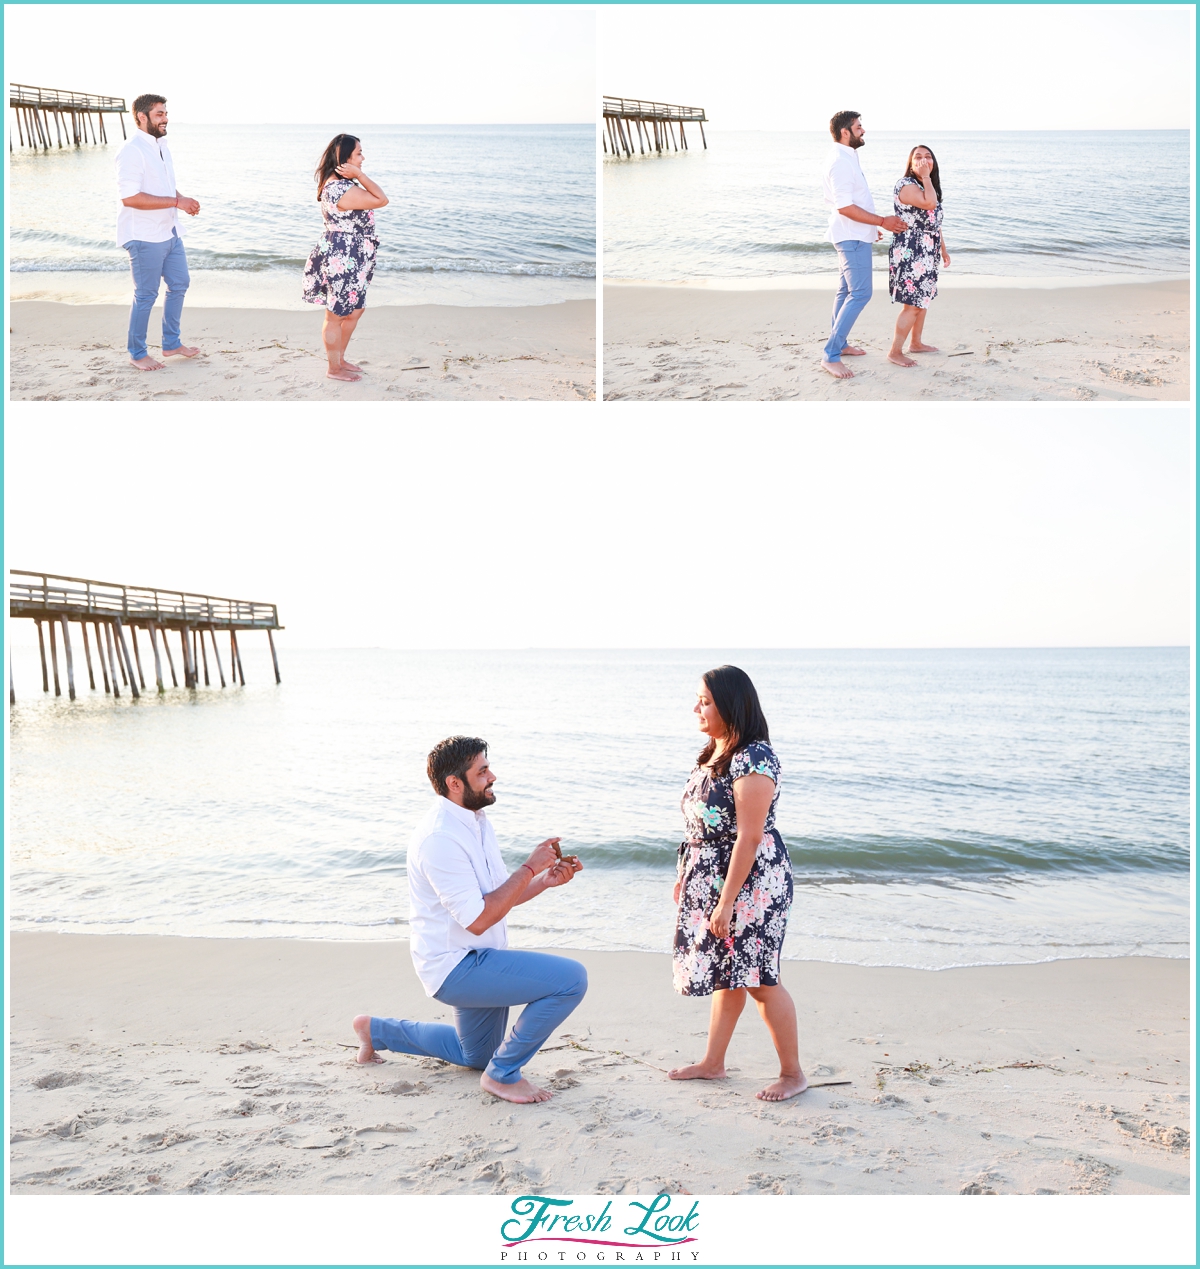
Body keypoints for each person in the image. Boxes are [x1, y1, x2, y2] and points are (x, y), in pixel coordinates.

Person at [352, 736, 586, 1105]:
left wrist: (543, 880)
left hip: (480, 955)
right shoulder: (439, 838)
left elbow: (496, 898)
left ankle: (375, 1031)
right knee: (571, 980)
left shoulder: (476, 820)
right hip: (456, 965)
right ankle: (503, 1075)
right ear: (454, 783)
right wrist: (528, 867)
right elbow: (478, 920)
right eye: (482, 771)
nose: (492, 776)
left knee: (474, 1055)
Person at [668, 666, 807, 1102]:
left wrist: (726, 902)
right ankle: (713, 1063)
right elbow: (701, 825)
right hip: (713, 878)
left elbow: (749, 835)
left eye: (705, 701)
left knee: (760, 978)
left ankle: (793, 1074)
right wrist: (685, 877)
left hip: (752, 883)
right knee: (726, 976)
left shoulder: (755, 757)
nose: (696, 708)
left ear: (731, 705)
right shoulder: (714, 752)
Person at [115, 94, 201, 371]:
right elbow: (130, 198)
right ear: (142, 116)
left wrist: (182, 199)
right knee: (146, 295)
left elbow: (164, 187)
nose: (165, 119)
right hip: (143, 235)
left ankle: (171, 343)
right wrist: (177, 202)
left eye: (165, 113)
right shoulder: (131, 151)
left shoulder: (161, 146)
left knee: (180, 283)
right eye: (160, 114)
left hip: (170, 231)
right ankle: (137, 353)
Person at [821, 111, 907, 380]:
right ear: (845, 132)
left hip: (855, 233)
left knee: (846, 291)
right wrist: (882, 221)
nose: (863, 131)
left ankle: (841, 345)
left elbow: (852, 203)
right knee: (860, 294)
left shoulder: (847, 157)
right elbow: (844, 206)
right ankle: (831, 355)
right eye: (859, 127)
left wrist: (870, 227)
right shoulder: (840, 162)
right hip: (850, 236)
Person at [303, 134, 388, 382]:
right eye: (359, 153)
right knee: (337, 314)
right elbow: (381, 199)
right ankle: (333, 368)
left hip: (354, 255)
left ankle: (339, 359)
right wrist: (359, 175)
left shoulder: (341, 185)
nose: (363, 158)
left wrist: (356, 176)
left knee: (355, 310)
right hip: (344, 256)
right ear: (345, 159)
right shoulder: (340, 188)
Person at [887, 145, 951, 367]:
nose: (924, 160)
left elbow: (934, 222)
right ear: (911, 163)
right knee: (912, 304)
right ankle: (895, 352)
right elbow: (928, 203)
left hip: (928, 248)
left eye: (928, 157)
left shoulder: (928, 185)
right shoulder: (906, 185)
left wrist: (942, 249)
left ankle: (916, 343)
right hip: (911, 249)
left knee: (923, 300)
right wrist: (925, 177)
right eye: (918, 157)